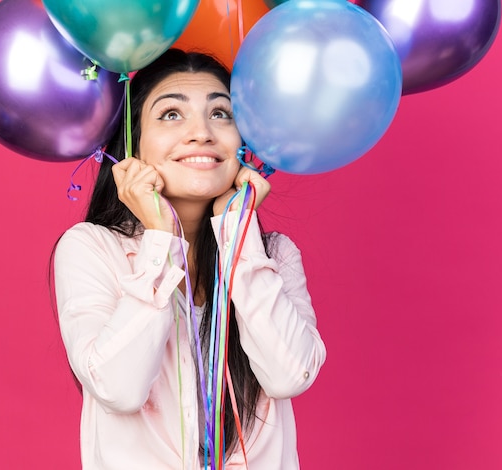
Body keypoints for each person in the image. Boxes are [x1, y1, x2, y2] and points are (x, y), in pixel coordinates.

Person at [53, 49, 326, 469]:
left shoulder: (272, 254)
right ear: (133, 145)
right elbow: (119, 388)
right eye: (171, 115)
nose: (202, 132)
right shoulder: (91, 248)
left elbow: (287, 375)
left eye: (221, 114)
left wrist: (239, 236)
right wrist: (160, 237)